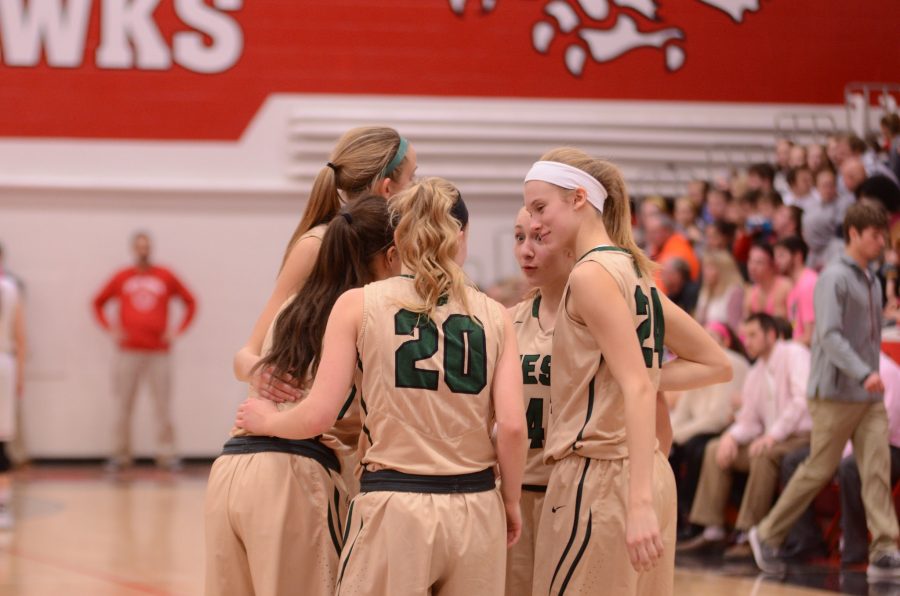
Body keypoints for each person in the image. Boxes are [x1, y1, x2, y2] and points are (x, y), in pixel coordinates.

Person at [237, 178, 527, 596]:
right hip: (477, 505)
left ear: (398, 237)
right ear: (460, 236)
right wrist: (511, 503)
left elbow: (318, 415)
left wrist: (267, 420)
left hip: (396, 504)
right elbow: (513, 428)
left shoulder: (359, 303)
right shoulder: (496, 315)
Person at [522, 149, 732, 596]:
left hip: (602, 474)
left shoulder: (590, 274)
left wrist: (636, 504)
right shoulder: (635, 271)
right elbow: (715, 363)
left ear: (580, 198)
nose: (534, 223)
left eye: (541, 208)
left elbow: (638, 384)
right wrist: (642, 376)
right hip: (649, 469)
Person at [205, 196, 398, 596]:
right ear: (388, 256)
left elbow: (246, 357)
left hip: (231, 469)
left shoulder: (294, 303)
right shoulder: (364, 315)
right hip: (296, 474)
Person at [232, 127, 417, 488]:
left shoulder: (393, 252)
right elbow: (244, 356)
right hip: (299, 450)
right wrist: (263, 373)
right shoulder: (318, 244)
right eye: (414, 177)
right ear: (387, 189)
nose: (418, 189)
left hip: (349, 452)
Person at [749, 202, 900, 582]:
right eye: (874, 234)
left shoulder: (872, 279)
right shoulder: (833, 278)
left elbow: (867, 337)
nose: (881, 241)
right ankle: (766, 533)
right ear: (853, 233)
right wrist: (864, 371)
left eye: (883, 234)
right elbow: (828, 336)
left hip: (866, 394)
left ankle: (885, 548)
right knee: (817, 469)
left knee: (876, 468)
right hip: (834, 393)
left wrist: (868, 374)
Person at [679, 314, 812, 558]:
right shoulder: (756, 372)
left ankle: (749, 532)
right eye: (744, 336)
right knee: (715, 447)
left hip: (802, 436)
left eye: (753, 335)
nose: (747, 341)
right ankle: (712, 528)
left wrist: (772, 436)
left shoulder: (794, 354)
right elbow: (749, 420)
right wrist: (732, 437)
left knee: (764, 453)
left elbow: (802, 401)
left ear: (771, 335)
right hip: (773, 437)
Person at [505, 207, 573, 596]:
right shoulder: (507, 321)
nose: (525, 251)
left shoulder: (598, 318)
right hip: (514, 494)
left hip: (570, 494)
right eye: (518, 238)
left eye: (538, 238)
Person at [92, 231, 196, 471]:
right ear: (133, 249)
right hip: (128, 351)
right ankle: (120, 454)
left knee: (162, 405)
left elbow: (191, 301)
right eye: (139, 246)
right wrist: (111, 328)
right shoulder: (122, 277)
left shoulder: (165, 276)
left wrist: (177, 330)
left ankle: (166, 454)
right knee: (122, 404)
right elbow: (97, 302)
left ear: (151, 248)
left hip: (159, 352)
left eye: (146, 246)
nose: (143, 250)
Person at [668, 321, 749, 539]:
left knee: (695, 448)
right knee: (668, 448)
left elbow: (718, 417)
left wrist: (680, 436)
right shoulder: (699, 363)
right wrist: (670, 434)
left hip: (724, 428)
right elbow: (684, 409)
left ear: (726, 341)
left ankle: (691, 518)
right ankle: (672, 516)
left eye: (712, 337)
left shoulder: (730, 361)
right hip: (698, 428)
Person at [0, 269, 25, 529]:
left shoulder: (9, 288)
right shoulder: (11, 287)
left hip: (4, 363)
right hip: (5, 365)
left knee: (2, 438)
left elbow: (19, 335)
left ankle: (3, 504)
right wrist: (20, 375)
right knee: (2, 437)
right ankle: (3, 505)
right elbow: (21, 337)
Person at [774, 236, 818, 346]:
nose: (777, 262)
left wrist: (781, 349)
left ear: (798, 256)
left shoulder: (808, 284)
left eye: (782, 255)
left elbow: (810, 336)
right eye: (776, 256)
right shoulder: (794, 286)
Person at [644, 213, 700, 294]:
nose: (649, 236)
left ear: (667, 231)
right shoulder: (661, 246)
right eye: (648, 232)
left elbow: (660, 290)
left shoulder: (676, 250)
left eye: (654, 232)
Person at [694, 249, 745, 331]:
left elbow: (734, 327)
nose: (705, 272)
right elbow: (699, 321)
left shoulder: (734, 292)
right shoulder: (705, 291)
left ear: (723, 270)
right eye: (704, 268)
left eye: (710, 268)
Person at [743, 242, 791, 319]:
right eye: (750, 261)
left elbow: (795, 321)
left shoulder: (786, 287)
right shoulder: (750, 292)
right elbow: (745, 325)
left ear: (772, 265)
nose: (752, 267)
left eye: (759, 262)